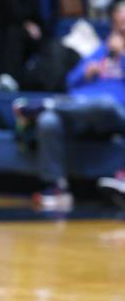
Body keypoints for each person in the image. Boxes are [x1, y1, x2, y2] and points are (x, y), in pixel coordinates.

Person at [31, 31, 125, 210]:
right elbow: (70, 81)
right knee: (48, 121)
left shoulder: (120, 54)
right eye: (119, 27)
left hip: (115, 113)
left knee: (105, 103)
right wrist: (85, 72)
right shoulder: (100, 52)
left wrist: (121, 56)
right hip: (80, 109)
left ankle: (50, 104)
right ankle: (56, 187)